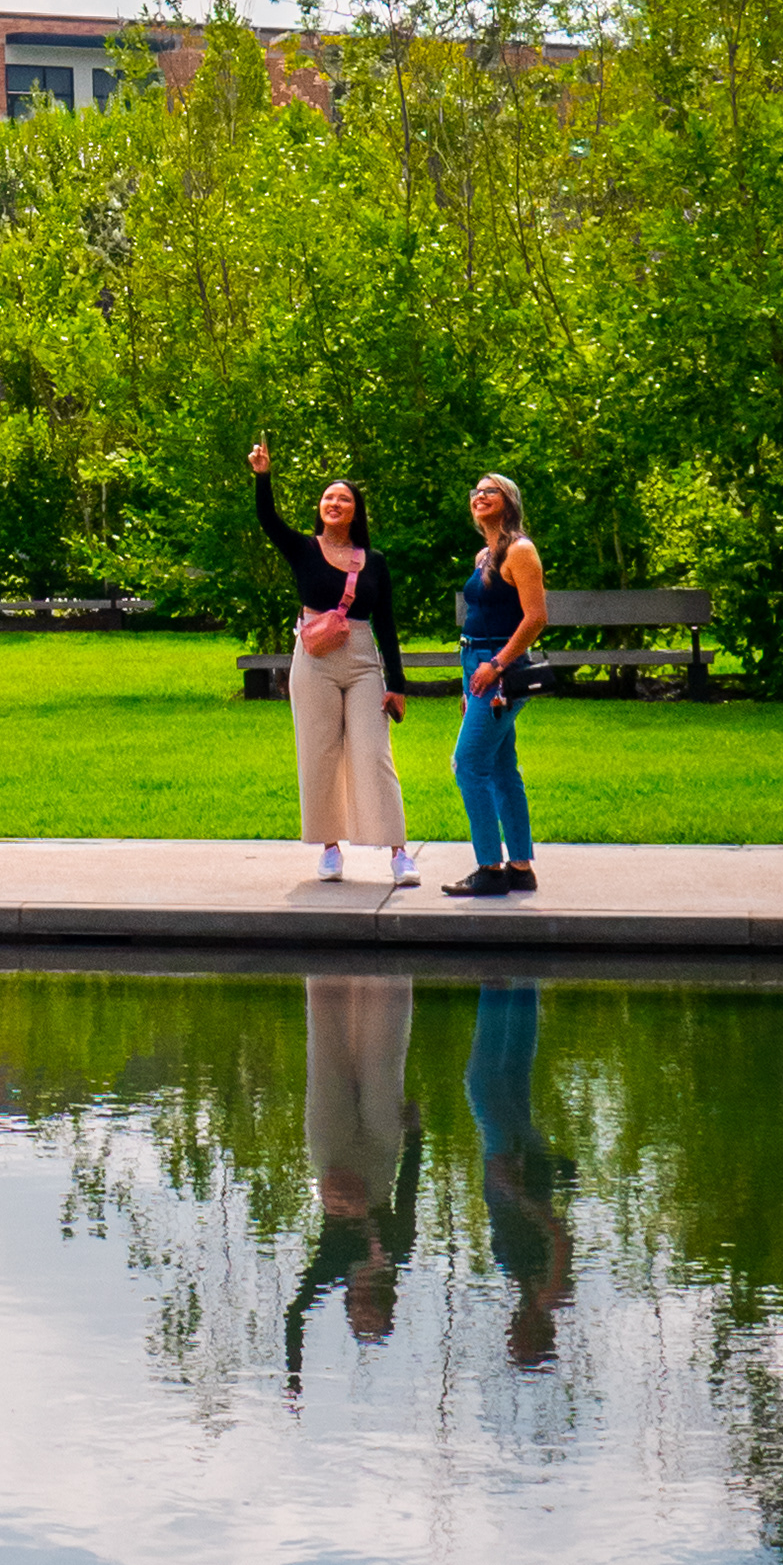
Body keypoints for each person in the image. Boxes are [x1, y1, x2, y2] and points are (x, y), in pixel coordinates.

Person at [248, 439, 413, 884]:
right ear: (320, 509)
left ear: (356, 511)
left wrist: (396, 682)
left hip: (362, 661)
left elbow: (387, 624)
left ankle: (399, 853)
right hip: (315, 661)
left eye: (344, 498)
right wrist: (264, 477)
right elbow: (267, 519)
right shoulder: (303, 549)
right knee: (318, 753)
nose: (334, 503)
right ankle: (329, 849)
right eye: (328, 498)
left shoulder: (374, 562)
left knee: (373, 753)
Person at [285, 967, 421, 1391]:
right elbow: (409, 1190)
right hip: (380, 1160)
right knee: (382, 1064)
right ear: (386, 1304)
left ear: (350, 1307)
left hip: (335, 1156)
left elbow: (296, 1313)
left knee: (326, 1058)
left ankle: (326, 973)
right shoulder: (399, 1253)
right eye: (373, 1315)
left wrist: (294, 1374)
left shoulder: (334, 1265)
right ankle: (385, 979)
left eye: (360, 1317)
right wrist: (416, 1136)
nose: (364, 1309)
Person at [442, 466, 546, 902]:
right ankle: (520, 868)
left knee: (468, 765)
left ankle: (489, 868)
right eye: (476, 491)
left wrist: (496, 667)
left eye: (492, 491)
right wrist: (471, 681)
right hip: (476, 665)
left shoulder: (520, 551)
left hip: (498, 667)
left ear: (509, 501)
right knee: (502, 767)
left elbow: (536, 617)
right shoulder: (484, 555)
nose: (480, 496)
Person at [464, 979, 573, 1365]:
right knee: (481, 1085)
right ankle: (500, 984)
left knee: (510, 1076)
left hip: (510, 1169)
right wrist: (517, 1190)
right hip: (516, 1165)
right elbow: (559, 1235)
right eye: (518, 1341)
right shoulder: (550, 1293)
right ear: (534, 1335)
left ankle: (524, 980)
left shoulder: (526, 1286)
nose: (511, 1334)